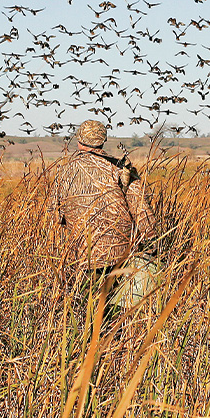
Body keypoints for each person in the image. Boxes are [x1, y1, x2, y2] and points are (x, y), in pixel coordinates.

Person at [49, 120, 158, 310]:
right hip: (120, 251)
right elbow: (140, 208)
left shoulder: (63, 172)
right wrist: (152, 240)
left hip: (82, 253)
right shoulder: (120, 168)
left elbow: (56, 216)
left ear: (79, 140)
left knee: (88, 305)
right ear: (103, 140)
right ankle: (116, 335)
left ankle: (92, 335)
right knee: (119, 307)